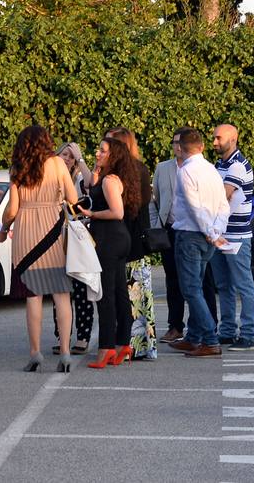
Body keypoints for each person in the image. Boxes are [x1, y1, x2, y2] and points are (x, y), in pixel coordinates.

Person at [0, 126, 79, 372]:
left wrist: (4, 227)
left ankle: (35, 352)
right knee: (61, 294)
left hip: (26, 234)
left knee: (33, 297)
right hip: (52, 232)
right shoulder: (57, 164)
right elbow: (73, 198)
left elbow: (12, 209)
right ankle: (65, 351)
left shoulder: (17, 168)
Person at [78, 136, 142, 368]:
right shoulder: (109, 178)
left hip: (110, 238)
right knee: (118, 293)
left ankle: (105, 348)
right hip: (117, 238)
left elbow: (117, 212)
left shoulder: (110, 181)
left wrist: (92, 215)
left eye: (103, 151)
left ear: (113, 155)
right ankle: (122, 343)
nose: (98, 153)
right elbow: (91, 184)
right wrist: (95, 169)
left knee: (105, 294)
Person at [170, 127, 231, 358]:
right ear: (202, 147)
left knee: (191, 289)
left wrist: (210, 232)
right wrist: (216, 230)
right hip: (206, 236)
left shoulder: (185, 172)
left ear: (180, 148)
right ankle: (194, 337)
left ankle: (209, 339)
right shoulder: (211, 170)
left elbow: (195, 208)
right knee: (196, 286)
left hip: (191, 236)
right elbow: (223, 204)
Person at [106, 127, 158, 360]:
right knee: (137, 298)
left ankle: (124, 344)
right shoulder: (141, 170)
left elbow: (127, 209)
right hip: (137, 241)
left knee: (124, 296)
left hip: (124, 240)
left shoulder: (120, 175)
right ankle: (138, 345)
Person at [212, 123, 254, 351]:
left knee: (242, 285)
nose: (215, 142)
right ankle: (227, 331)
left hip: (237, 236)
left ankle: (248, 335)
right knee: (224, 285)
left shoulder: (238, 165)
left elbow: (223, 195)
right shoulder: (221, 163)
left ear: (233, 138)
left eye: (219, 138)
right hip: (222, 233)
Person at [52, 142, 94, 354]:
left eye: (71, 156)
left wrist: (80, 159)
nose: (67, 159)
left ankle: (83, 336)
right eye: (64, 155)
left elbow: (91, 184)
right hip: (56, 239)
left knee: (81, 289)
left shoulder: (78, 179)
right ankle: (62, 336)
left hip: (78, 240)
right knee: (59, 289)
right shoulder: (51, 179)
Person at [152, 140, 184, 343]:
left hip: (192, 230)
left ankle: (208, 326)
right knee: (172, 279)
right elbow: (155, 197)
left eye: (182, 143)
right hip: (169, 229)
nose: (178, 147)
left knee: (199, 281)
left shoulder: (202, 168)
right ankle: (175, 326)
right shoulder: (163, 167)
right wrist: (157, 225)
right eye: (174, 143)